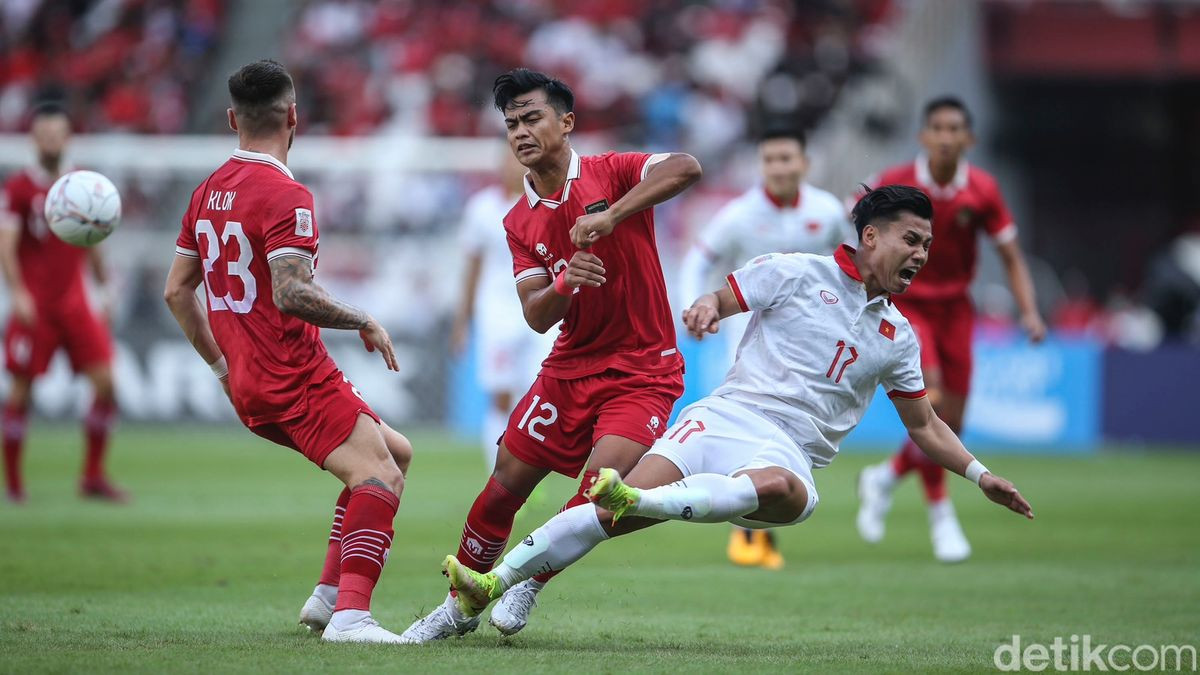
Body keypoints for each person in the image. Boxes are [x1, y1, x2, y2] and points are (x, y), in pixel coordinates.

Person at [439, 186, 1034, 624]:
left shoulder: (898, 337)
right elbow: (720, 300)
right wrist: (705, 309)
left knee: (779, 487)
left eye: (927, 244)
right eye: (912, 240)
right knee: (602, 512)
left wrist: (980, 475)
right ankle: (496, 588)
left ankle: (636, 501)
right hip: (722, 418)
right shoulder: (795, 272)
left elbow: (924, 424)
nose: (921, 254)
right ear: (872, 236)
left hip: (788, 452)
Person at [401, 68, 701, 642]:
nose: (520, 131)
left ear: (566, 122)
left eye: (532, 117)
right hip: (569, 368)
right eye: (511, 123)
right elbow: (536, 314)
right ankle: (458, 607)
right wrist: (566, 282)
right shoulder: (518, 220)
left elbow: (686, 166)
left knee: (600, 488)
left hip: (644, 369)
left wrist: (612, 215)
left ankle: (528, 580)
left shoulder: (612, 171)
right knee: (502, 485)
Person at [163, 60, 413, 644]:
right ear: (294, 116)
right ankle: (352, 618)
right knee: (378, 476)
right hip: (292, 371)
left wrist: (222, 369)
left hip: (248, 379)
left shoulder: (206, 192)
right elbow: (291, 292)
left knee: (396, 455)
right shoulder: (285, 194)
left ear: (233, 119)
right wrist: (363, 319)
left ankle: (327, 597)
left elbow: (176, 291)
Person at [854, 97, 1046, 563]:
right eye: (937, 127)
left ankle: (884, 477)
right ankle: (942, 517)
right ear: (923, 135)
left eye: (954, 128)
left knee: (951, 424)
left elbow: (1011, 256)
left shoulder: (982, 190)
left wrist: (1029, 311)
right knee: (932, 400)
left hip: (957, 309)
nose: (945, 136)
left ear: (969, 139)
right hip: (908, 304)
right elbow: (857, 227)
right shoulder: (896, 181)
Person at [678, 126, 853, 570]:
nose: (778, 167)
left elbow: (853, 262)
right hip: (747, 335)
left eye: (786, 158)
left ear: (804, 164)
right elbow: (698, 259)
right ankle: (747, 529)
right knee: (745, 422)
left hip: (809, 342)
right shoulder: (740, 214)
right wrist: (693, 307)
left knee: (786, 430)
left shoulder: (827, 211)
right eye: (770, 159)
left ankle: (755, 517)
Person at [0, 102, 123, 503]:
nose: (51, 141)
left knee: (107, 384)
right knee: (22, 391)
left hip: (75, 304)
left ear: (67, 137)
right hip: (35, 306)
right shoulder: (18, 188)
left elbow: (94, 240)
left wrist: (104, 288)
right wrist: (18, 292)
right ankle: (14, 485)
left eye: (57, 134)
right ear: (34, 139)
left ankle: (92, 476)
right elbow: (6, 245)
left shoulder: (81, 184)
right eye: (45, 135)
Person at [450, 151, 556, 473]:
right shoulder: (482, 208)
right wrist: (462, 321)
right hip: (497, 312)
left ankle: (526, 469)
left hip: (540, 307)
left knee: (538, 391)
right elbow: (472, 268)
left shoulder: (549, 204)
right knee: (501, 394)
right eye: (508, 160)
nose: (514, 166)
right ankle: (499, 471)